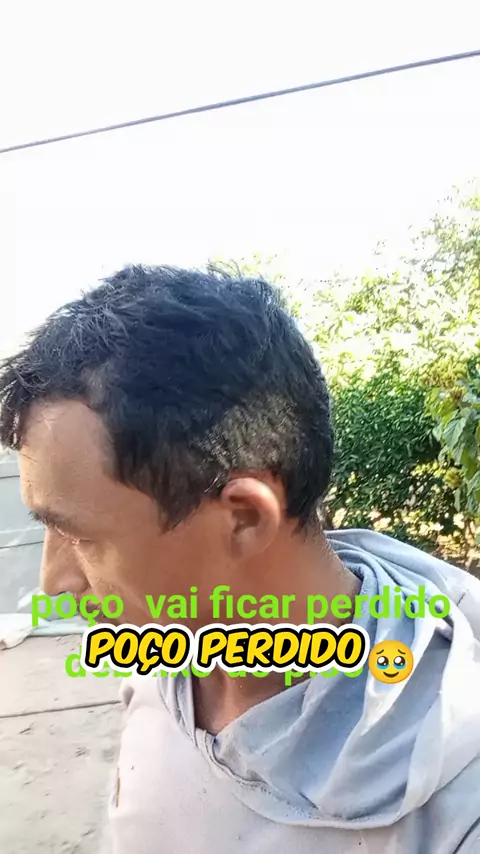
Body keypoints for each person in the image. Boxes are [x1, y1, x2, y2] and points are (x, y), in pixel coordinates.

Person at [1, 264, 479, 853]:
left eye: (80, 536)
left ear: (246, 518)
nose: (54, 584)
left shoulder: (454, 809)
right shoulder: (165, 650)